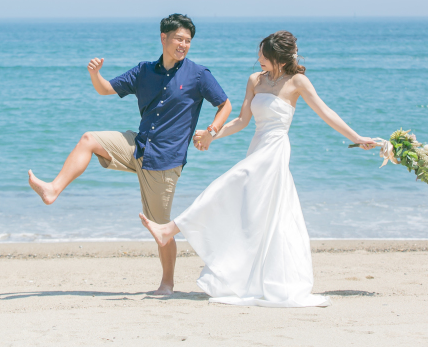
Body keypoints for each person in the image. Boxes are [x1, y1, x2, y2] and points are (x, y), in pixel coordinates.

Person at [139, 30, 377, 306]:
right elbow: (241, 120)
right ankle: (248, 276)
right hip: (257, 148)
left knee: (226, 185)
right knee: (255, 215)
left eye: (264, 56)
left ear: (278, 57)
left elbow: (326, 112)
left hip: (275, 152)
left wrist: (357, 138)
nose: (259, 59)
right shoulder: (255, 80)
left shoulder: (297, 81)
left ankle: (169, 229)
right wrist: (211, 134)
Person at [29, 14, 232, 295]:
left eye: (187, 41)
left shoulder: (198, 75)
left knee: (161, 229)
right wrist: (94, 74)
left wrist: (211, 131)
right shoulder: (144, 71)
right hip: (138, 146)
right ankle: (53, 189)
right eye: (178, 39)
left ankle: (167, 284)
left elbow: (225, 104)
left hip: (165, 161)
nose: (183, 44)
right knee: (89, 139)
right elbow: (105, 89)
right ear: (164, 38)